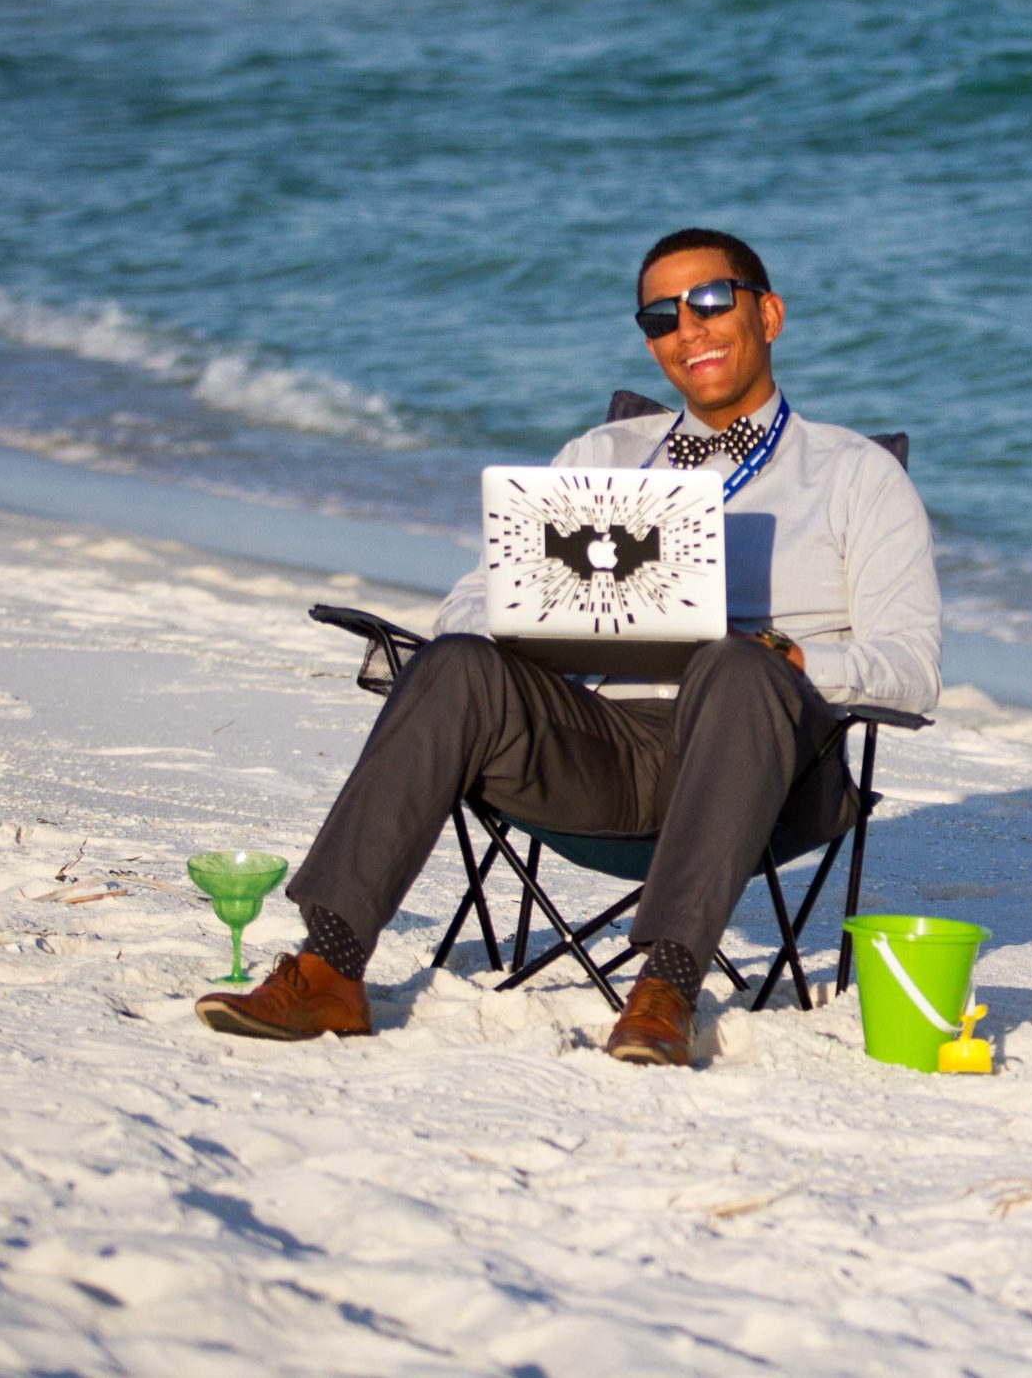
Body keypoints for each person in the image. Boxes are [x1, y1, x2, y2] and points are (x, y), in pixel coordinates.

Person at [196, 228, 941, 1066]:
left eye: (709, 301)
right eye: (661, 316)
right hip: (595, 752)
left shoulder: (856, 476)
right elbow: (471, 595)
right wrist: (528, 623)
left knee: (737, 665)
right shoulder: (600, 454)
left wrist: (787, 655)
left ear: (767, 314)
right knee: (455, 662)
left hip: (765, 766)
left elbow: (912, 670)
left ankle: (665, 983)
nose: (687, 329)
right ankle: (329, 966)